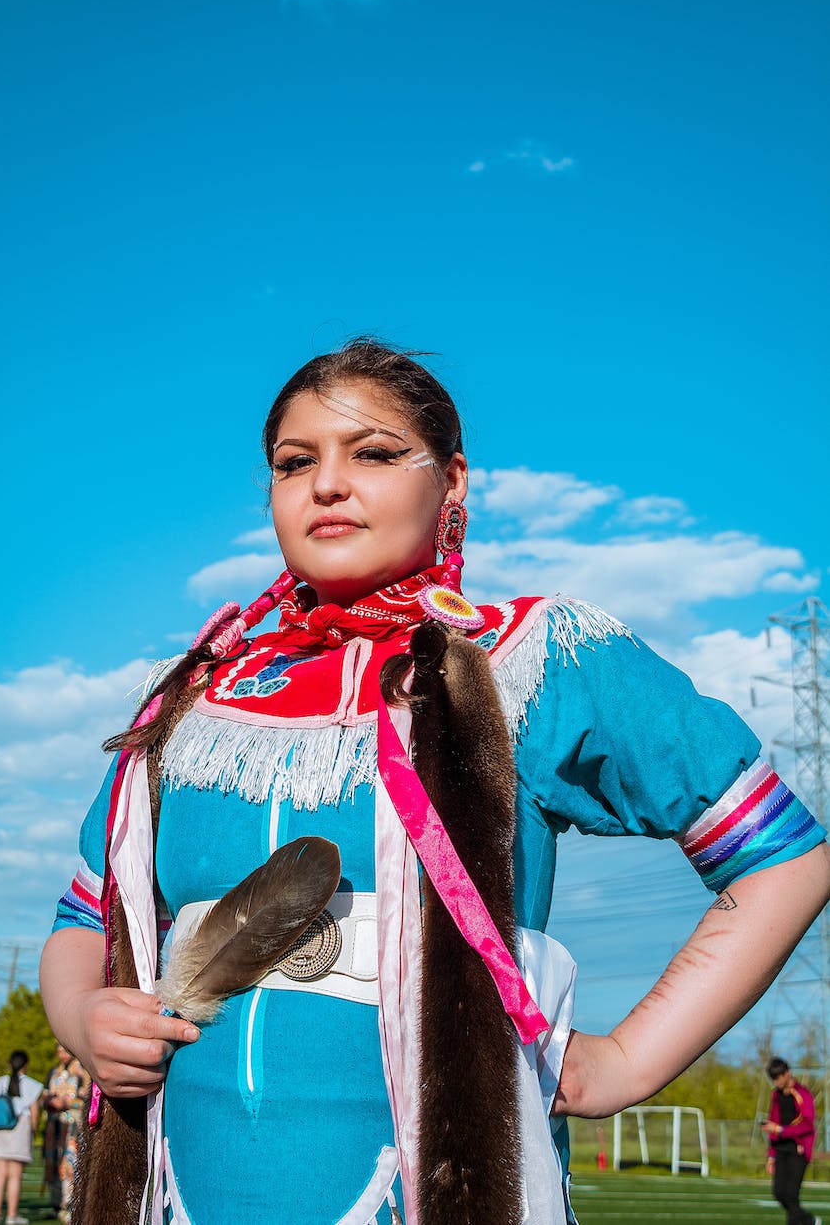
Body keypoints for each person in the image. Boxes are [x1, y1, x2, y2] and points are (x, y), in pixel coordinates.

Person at [40, 339, 830, 1225]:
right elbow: (82, 919)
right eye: (294, 463)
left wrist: (628, 1062)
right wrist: (85, 1019)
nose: (327, 484)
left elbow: (784, 860)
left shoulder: (535, 660)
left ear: (452, 482)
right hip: (182, 1192)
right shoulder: (186, 699)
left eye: (373, 453)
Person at [763, 1057, 822, 1225]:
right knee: (779, 1192)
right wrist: (771, 1156)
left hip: (799, 1150)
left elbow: (808, 1125)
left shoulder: (802, 1094)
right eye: (773, 1079)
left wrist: (782, 1130)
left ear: (787, 1073)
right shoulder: (775, 1095)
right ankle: (809, 1220)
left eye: (778, 1077)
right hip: (781, 1149)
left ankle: (806, 1221)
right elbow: (773, 1122)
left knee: (791, 1194)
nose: (776, 1082)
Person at [0, 1049, 43, 1225]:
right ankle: (12, 1216)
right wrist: (34, 1131)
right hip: (20, 1126)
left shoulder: (0, 1082)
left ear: (9, 1063)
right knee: (15, 1176)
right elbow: (34, 1111)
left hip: (0, 1129)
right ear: (26, 1065)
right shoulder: (33, 1085)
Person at [42, 1043, 90, 1221]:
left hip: (73, 1127)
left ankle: (71, 1205)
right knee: (53, 1163)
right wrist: (47, 1102)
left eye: (64, 1050)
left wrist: (68, 1104)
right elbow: (44, 1096)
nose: (61, 1054)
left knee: (70, 1164)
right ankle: (57, 1204)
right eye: (59, 1050)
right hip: (54, 1126)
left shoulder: (81, 1072)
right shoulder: (54, 1073)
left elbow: (87, 1100)